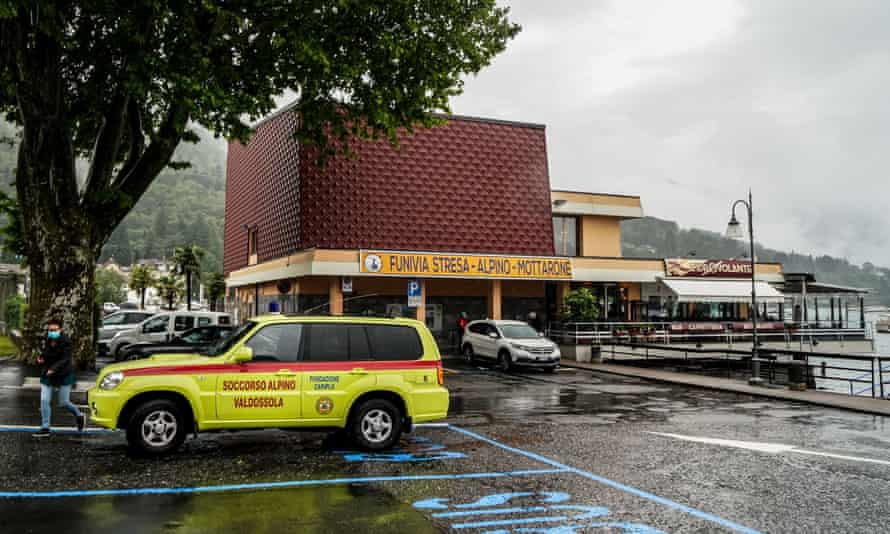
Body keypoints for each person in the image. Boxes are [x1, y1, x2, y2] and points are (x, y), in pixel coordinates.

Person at [33, 318, 85, 437]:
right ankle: (45, 427)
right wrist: (41, 358)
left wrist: (53, 369)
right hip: (48, 374)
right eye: (50, 330)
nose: (52, 332)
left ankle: (79, 415)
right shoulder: (48, 339)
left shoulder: (66, 341)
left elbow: (65, 359)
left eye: (54, 330)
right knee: (44, 400)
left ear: (60, 329)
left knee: (64, 402)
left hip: (63, 374)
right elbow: (46, 353)